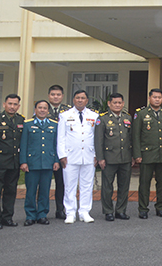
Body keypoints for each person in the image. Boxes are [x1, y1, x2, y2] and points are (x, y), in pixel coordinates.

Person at [57, 89, 98, 224]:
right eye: (77, 98)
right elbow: (61, 137)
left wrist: (96, 155)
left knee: (87, 185)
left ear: (87, 101)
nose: (80, 100)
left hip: (88, 155)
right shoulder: (65, 115)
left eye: (83, 98)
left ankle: (84, 211)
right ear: (73, 100)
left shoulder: (94, 116)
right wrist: (62, 155)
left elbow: (96, 137)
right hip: (70, 156)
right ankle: (70, 212)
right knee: (70, 185)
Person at [0, 93, 24, 229]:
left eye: (15, 104)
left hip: (14, 162)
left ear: (18, 106)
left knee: (11, 191)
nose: (12, 107)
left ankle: (7, 217)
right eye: (10, 104)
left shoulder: (20, 120)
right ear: (4, 104)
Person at [133, 88, 162, 219]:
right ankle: (143, 209)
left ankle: (161, 207)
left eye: (159, 97)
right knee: (144, 183)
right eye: (154, 97)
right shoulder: (141, 114)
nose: (157, 99)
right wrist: (137, 154)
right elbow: (136, 135)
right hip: (146, 155)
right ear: (149, 98)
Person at [20, 99, 60, 226]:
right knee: (31, 191)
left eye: (44, 108)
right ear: (35, 109)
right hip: (32, 163)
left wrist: (56, 161)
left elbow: (56, 145)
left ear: (48, 110)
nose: (42, 110)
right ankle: (30, 215)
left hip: (48, 162)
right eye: (39, 108)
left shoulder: (54, 125)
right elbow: (23, 145)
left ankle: (42, 214)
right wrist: (23, 162)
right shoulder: (27, 124)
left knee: (45, 190)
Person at [95, 92, 134, 221]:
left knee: (124, 186)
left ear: (123, 104)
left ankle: (121, 210)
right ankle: (108, 211)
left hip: (125, 158)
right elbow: (99, 140)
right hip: (109, 158)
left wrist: (133, 156)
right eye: (115, 103)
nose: (117, 105)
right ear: (109, 104)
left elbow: (131, 138)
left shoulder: (127, 118)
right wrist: (100, 158)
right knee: (107, 186)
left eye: (120, 103)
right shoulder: (103, 119)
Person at [46, 84, 70, 220]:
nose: (56, 97)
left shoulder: (67, 111)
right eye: (53, 94)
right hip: (47, 152)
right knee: (44, 183)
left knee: (62, 183)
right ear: (49, 96)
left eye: (58, 94)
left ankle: (60, 209)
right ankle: (42, 210)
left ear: (62, 96)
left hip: (62, 153)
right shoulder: (42, 108)